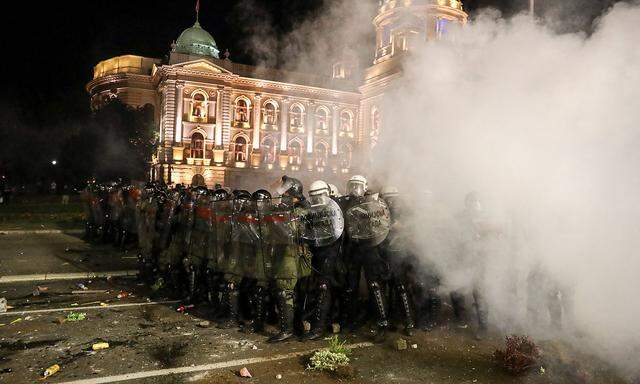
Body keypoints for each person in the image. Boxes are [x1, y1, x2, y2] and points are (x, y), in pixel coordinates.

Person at [340, 175, 392, 340]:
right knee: (351, 286)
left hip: (370, 249)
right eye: (352, 186)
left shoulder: (374, 202)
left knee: (375, 286)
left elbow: (382, 225)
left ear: (364, 187)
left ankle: (382, 324)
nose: (355, 189)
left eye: (358, 186)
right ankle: (351, 320)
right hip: (353, 249)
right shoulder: (346, 202)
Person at [262, 176, 312, 342]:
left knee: (285, 291)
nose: (282, 198)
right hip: (285, 253)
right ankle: (293, 326)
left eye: (285, 195)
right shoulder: (292, 208)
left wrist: (278, 215)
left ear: (293, 194)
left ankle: (287, 330)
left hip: (294, 255)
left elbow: (291, 230)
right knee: (284, 290)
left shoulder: (302, 209)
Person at [301, 180, 345, 340]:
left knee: (324, 288)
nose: (316, 200)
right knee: (315, 288)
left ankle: (319, 328)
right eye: (314, 197)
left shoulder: (335, 209)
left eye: (319, 196)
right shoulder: (313, 211)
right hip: (317, 252)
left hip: (331, 253)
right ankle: (315, 322)